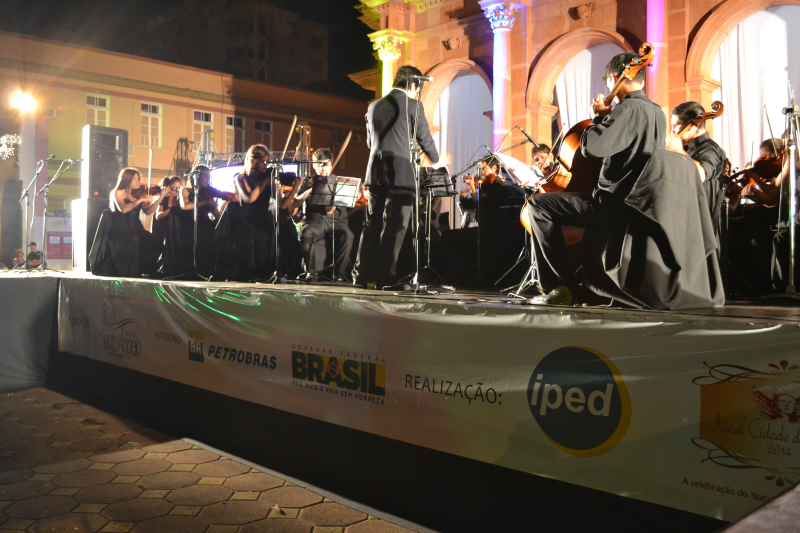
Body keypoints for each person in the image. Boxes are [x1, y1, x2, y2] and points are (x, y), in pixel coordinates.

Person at [523, 51, 666, 305]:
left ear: (615, 78)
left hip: (611, 205)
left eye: (609, 82)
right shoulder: (657, 113)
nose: (609, 88)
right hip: (638, 205)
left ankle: (561, 288)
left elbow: (590, 148)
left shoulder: (625, 110)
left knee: (537, 206)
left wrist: (599, 117)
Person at [353, 65, 440, 289]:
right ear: (413, 85)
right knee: (395, 227)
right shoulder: (413, 105)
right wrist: (436, 158)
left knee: (371, 224)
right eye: (416, 89)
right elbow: (424, 137)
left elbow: (370, 143)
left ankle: (361, 275)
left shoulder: (373, 106)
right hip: (400, 173)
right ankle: (385, 276)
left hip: (375, 172)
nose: (416, 93)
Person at [89, 167, 168, 277]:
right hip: (121, 229)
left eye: (138, 178)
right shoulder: (117, 192)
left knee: (154, 241)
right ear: (127, 179)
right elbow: (123, 209)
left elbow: (148, 211)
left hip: (136, 227)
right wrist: (141, 200)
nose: (138, 181)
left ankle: (150, 270)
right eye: (134, 179)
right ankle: (133, 271)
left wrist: (161, 197)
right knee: (134, 239)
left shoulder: (136, 194)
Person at [665, 101, 727, 240]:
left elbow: (700, 174)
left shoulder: (711, 149)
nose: (672, 131)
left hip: (701, 228)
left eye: (676, 125)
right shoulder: (685, 149)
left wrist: (678, 150)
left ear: (695, 125)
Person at [214, 144, 275, 281]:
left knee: (275, 233)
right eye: (263, 161)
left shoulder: (266, 178)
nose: (266, 165)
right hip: (246, 220)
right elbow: (249, 199)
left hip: (263, 218)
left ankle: (271, 271)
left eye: (267, 161)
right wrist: (264, 181)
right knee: (264, 236)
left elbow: (281, 203)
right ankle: (260, 273)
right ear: (253, 160)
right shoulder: (241, 178)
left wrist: (293, 186)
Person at [294, 148, 354, 281]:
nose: (322, 168)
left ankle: (339, 273)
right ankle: (310, 272)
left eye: (326, 164)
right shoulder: (307, 182)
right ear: (313, 165)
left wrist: (333, 199)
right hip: (314, 222)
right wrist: (308, 192)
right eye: (319, 164)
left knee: (348, 235)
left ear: (331, 165)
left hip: (334, 222)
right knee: (307, 234)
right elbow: (294, 203)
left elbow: (329, 211)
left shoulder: (338, 182)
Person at [178, 166, 221, 277]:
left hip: (205, 224)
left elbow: (216, 213)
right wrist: (205, 202)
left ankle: (208, 270)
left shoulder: (207, 193)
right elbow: (185, 206)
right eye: (206, 176)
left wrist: (223, 221)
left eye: (209, 177)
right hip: (190, 225)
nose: (208, 179)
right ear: (197, 177)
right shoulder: (185, 190)